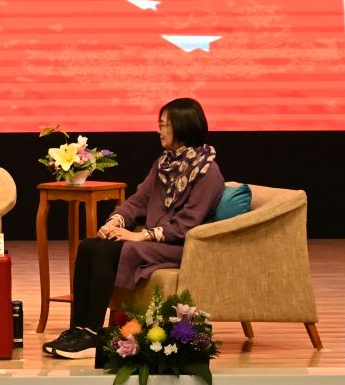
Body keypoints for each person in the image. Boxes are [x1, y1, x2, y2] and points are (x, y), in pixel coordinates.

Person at [43, 98, 225, 360]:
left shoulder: (207, 171)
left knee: (105, 252)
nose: (159, 131)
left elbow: (187, 224)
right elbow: (139, 200)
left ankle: (93, 335)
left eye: (164, 125)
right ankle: (78, 329)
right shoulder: (164, 163)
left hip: (177, 246)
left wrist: (139, 236)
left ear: (182, 127)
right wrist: (115, 221)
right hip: (154, 242)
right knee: (89, 245)